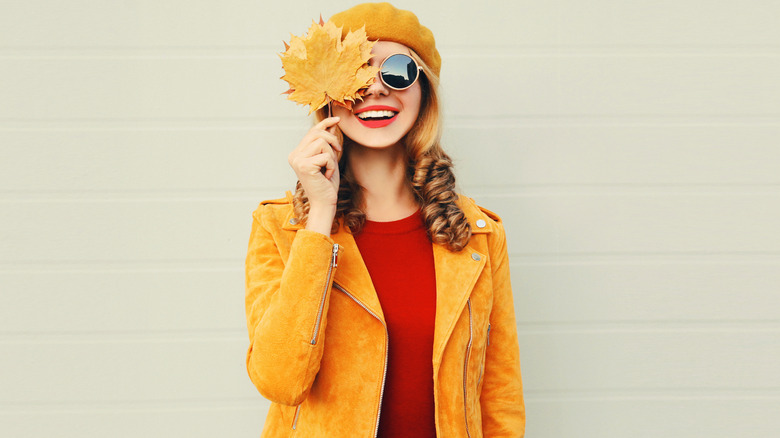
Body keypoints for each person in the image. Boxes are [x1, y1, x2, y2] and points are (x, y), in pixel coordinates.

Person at [245, 3, 524, 437]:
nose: (375, 88)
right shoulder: (280, 228)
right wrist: (319, 215)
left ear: (424, 91)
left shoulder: (480, 236)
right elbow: (279, 380)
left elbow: (499, 396)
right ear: (327, 93)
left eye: (397, 70)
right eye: (355, 70)